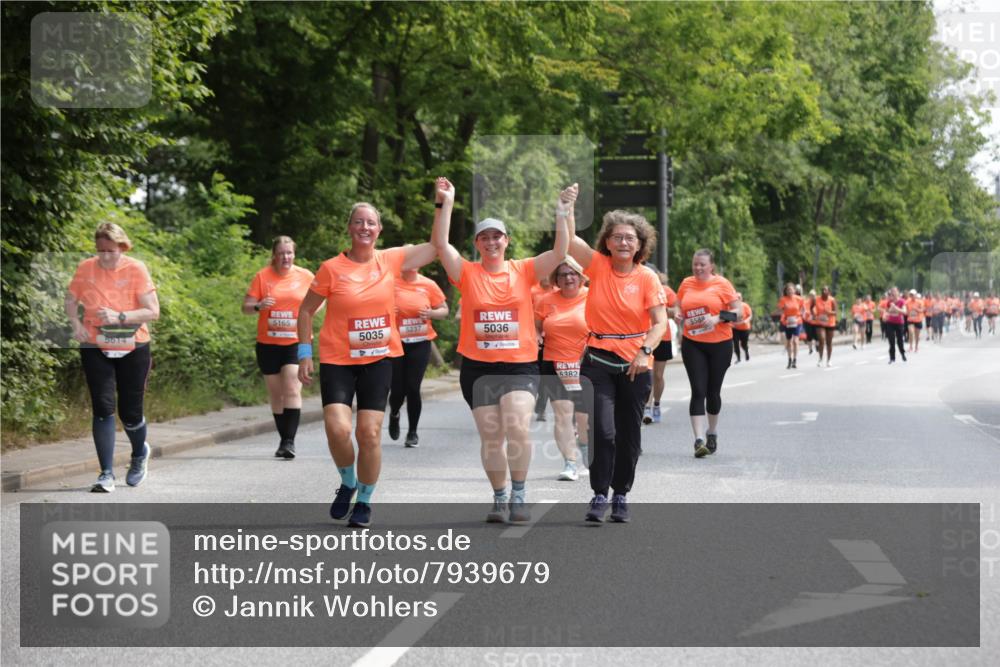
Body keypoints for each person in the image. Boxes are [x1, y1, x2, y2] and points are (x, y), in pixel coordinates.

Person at [296, 194, 439, 528]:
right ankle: (347, 482)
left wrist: (441, 205)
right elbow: (305, 310)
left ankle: (364, 500)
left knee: (369, 434)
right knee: (337, 429)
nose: (364, 227)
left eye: (370, 222)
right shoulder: (331, 268)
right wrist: (304, 353)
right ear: (349, 228)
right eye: (358, 221)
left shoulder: (390, 260)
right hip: (338, 360)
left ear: (379, 229)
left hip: (378, 360)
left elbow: (434, 247)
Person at [433, 178, 571, 523]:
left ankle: (520, 494)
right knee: (492, 436)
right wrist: (445, 202)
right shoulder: (466, 272)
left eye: (497, 236)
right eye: (484, 237)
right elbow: (440, 244)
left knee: (517, 426)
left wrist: (561, 212)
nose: (491, 241)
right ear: (478, 244)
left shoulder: (522, 270)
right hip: (478, 368)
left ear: (506, 241)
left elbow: (559, 253)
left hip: (520, 366)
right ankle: (499, 497)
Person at [565, 209, 666, 523]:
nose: (623, 242)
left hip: (636, 363)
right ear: (607, 242)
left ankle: (621, 493)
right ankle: (598, 492)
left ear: (639, 245)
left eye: (630, 238)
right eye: (617, 237)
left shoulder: (647, 277)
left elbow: (660, 322)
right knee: (603, 432)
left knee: (628, 435)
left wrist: (644, 350)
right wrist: (568, 210)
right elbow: (569, 242)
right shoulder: (597, 265)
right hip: (597, 359)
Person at [65, 222, 160, 492]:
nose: (105, 256)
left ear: (122, 246)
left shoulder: (136, 269)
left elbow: (153, 311)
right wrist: (77, 325)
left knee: (130, 413)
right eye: (100, 251)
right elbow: (70, 299)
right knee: (103, 407)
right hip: (96, 344)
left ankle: (139, 454)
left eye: (110, 251)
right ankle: (106, 473)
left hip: (133, 345)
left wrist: (121, 316)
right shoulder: (86, 268)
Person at [243, 236, 314, 459]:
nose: (286, 257)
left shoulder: (305, 276)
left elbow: (319, 301)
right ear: (274, 255)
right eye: (281, 253)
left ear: (295, 254)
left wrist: (307, 314)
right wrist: (258, 306)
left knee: (292, 386)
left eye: (289, 253)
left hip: (296, 341)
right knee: (276, 394)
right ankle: (284, 439)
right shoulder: (262, 277)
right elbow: (245, 307)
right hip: (268, 343)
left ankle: (288, 441)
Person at [675, 250, 741, 459]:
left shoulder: (722, 284)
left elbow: (739, 313)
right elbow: (678, 303)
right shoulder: (686, 283)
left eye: (702, 265)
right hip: (693, 343)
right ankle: (698, 440)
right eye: (695, 264)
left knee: (713, 392)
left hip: (720, 344)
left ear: (711, 266)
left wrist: (717, 318)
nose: (698, 268)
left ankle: (712, 432)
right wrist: (676, 312)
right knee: (698, 390)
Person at [534, 257, 589, 482]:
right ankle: (570, 463)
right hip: (554, 362)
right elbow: (536, 327)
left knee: (584, 417)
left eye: (572, 273)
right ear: (556, 278)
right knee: (563, 414)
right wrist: (537, 337)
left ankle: (585, 449)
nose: (568, 278)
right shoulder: (546, 300)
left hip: (585, 364)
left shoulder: (593, 297)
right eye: (563, 274)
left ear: (581, 276)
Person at [388, 266, 448, 448]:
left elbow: (444, 310)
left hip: (420, 342)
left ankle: (412, 432)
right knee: (397, 389)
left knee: (413, 387)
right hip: (396, 342)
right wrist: (390, 310)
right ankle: (395, 413)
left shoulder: (428, 284)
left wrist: (432, 313)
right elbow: (373, 306)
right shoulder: (390, 283)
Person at [643, 272, 677, 424]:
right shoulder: (640, 288)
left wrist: (660, 310)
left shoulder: (666, 291)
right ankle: (646, 408)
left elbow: (675, 312)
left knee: (657, 375)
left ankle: (656, 404)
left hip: (663, 336)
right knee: (648, 374)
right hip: (645, 337)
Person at [777, 282, 804, 368]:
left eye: (791, 290)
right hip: (787, 322)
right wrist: (783, 315)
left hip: (797, 321)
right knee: (789, 342)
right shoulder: (783, 299)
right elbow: (780, 311)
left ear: (794, 291)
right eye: (788, 290)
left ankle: (795, 360)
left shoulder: (799, 299)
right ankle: (789, 359)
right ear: (786, 291)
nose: (790, 292)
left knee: (795, 341)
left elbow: (803, 310)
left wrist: (800, 316)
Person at [812, 286, 836, 367]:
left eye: (825, 290)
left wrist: (829, 312)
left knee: (829, 342)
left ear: (829, 292)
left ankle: (829, 360)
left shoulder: (832, 300)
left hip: (830, 322)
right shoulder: (816, 299)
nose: (823, 291)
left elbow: (835, 312)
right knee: (821, 339)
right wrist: (813, 314)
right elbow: (811, 307)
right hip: (820, 322)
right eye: (822, 289)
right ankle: (820, 358)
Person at [884, 286, 908, 364]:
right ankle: (892, 358)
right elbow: (887, 312)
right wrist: (890, 309)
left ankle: (902, 353)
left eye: (895, 291)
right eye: (892, 291)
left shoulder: (902, 301)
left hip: (899, 323)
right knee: (891, 340)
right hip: (890, 322)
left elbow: (904, 312)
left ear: (898, 292)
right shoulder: (889, 302)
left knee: (900, 340)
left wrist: (896, 308)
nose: (893, 293)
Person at [731, 292, 752, 363]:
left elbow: (750, 315)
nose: (738, 299)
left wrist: (746, 321)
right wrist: (731, 323)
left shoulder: (745, 306)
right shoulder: (732, 307)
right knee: (736, 343)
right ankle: (738, 358)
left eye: (739, 297)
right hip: (735, 328)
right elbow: (728, 317)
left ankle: (746, 351)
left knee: (744, 344)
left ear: (741, 298)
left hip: (745, 328)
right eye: (736, 298)